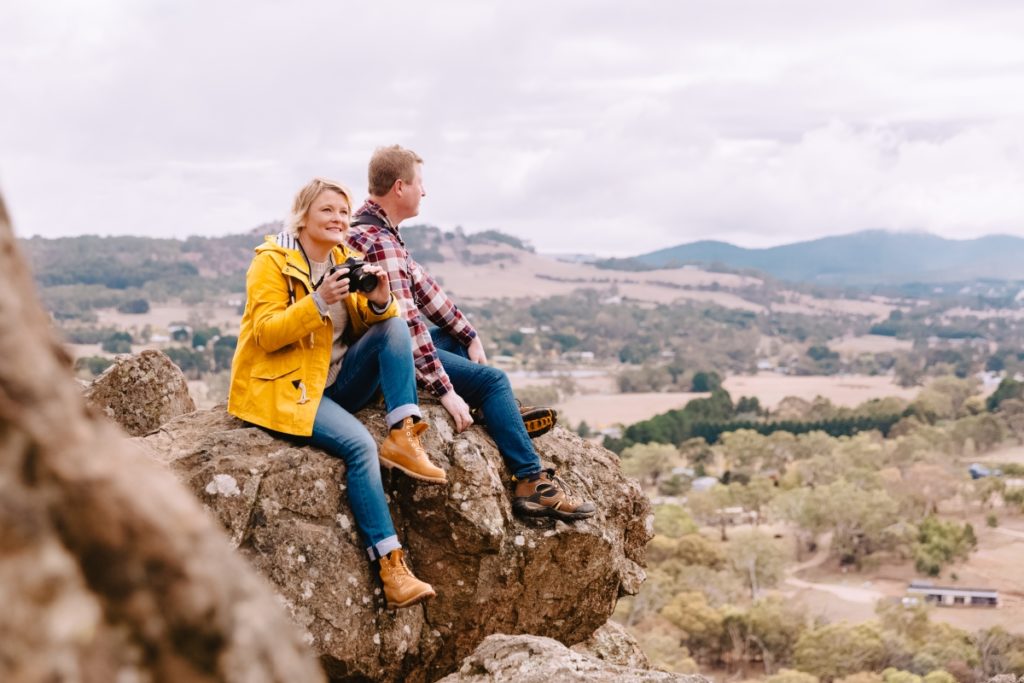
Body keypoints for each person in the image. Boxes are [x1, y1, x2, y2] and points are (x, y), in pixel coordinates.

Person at [347, 145, 596, 522]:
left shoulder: (378, 229)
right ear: (400, 187)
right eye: (420, 183)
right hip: (384, 361)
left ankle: (502, 415)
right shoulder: (380, 242)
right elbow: (409, 325)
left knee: (453, 342)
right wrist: (447, 394)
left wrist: (469, 334)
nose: (424, 191)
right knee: (494, 381)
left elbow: (427, 291)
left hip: (385, 351)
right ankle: (531, 480)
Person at [228, 177, 442, 609]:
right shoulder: (271, 262)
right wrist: (318, 301)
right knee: (361, 446)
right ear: (303, 215)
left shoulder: (348, 260)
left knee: (394, 325)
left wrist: (381, 301)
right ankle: (391, 567)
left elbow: (372, 327)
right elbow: (267, 335)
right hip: (291, 391)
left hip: (340, 383)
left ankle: (404, 433)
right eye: (328, 210)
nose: (339, 219)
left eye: (344, 212)